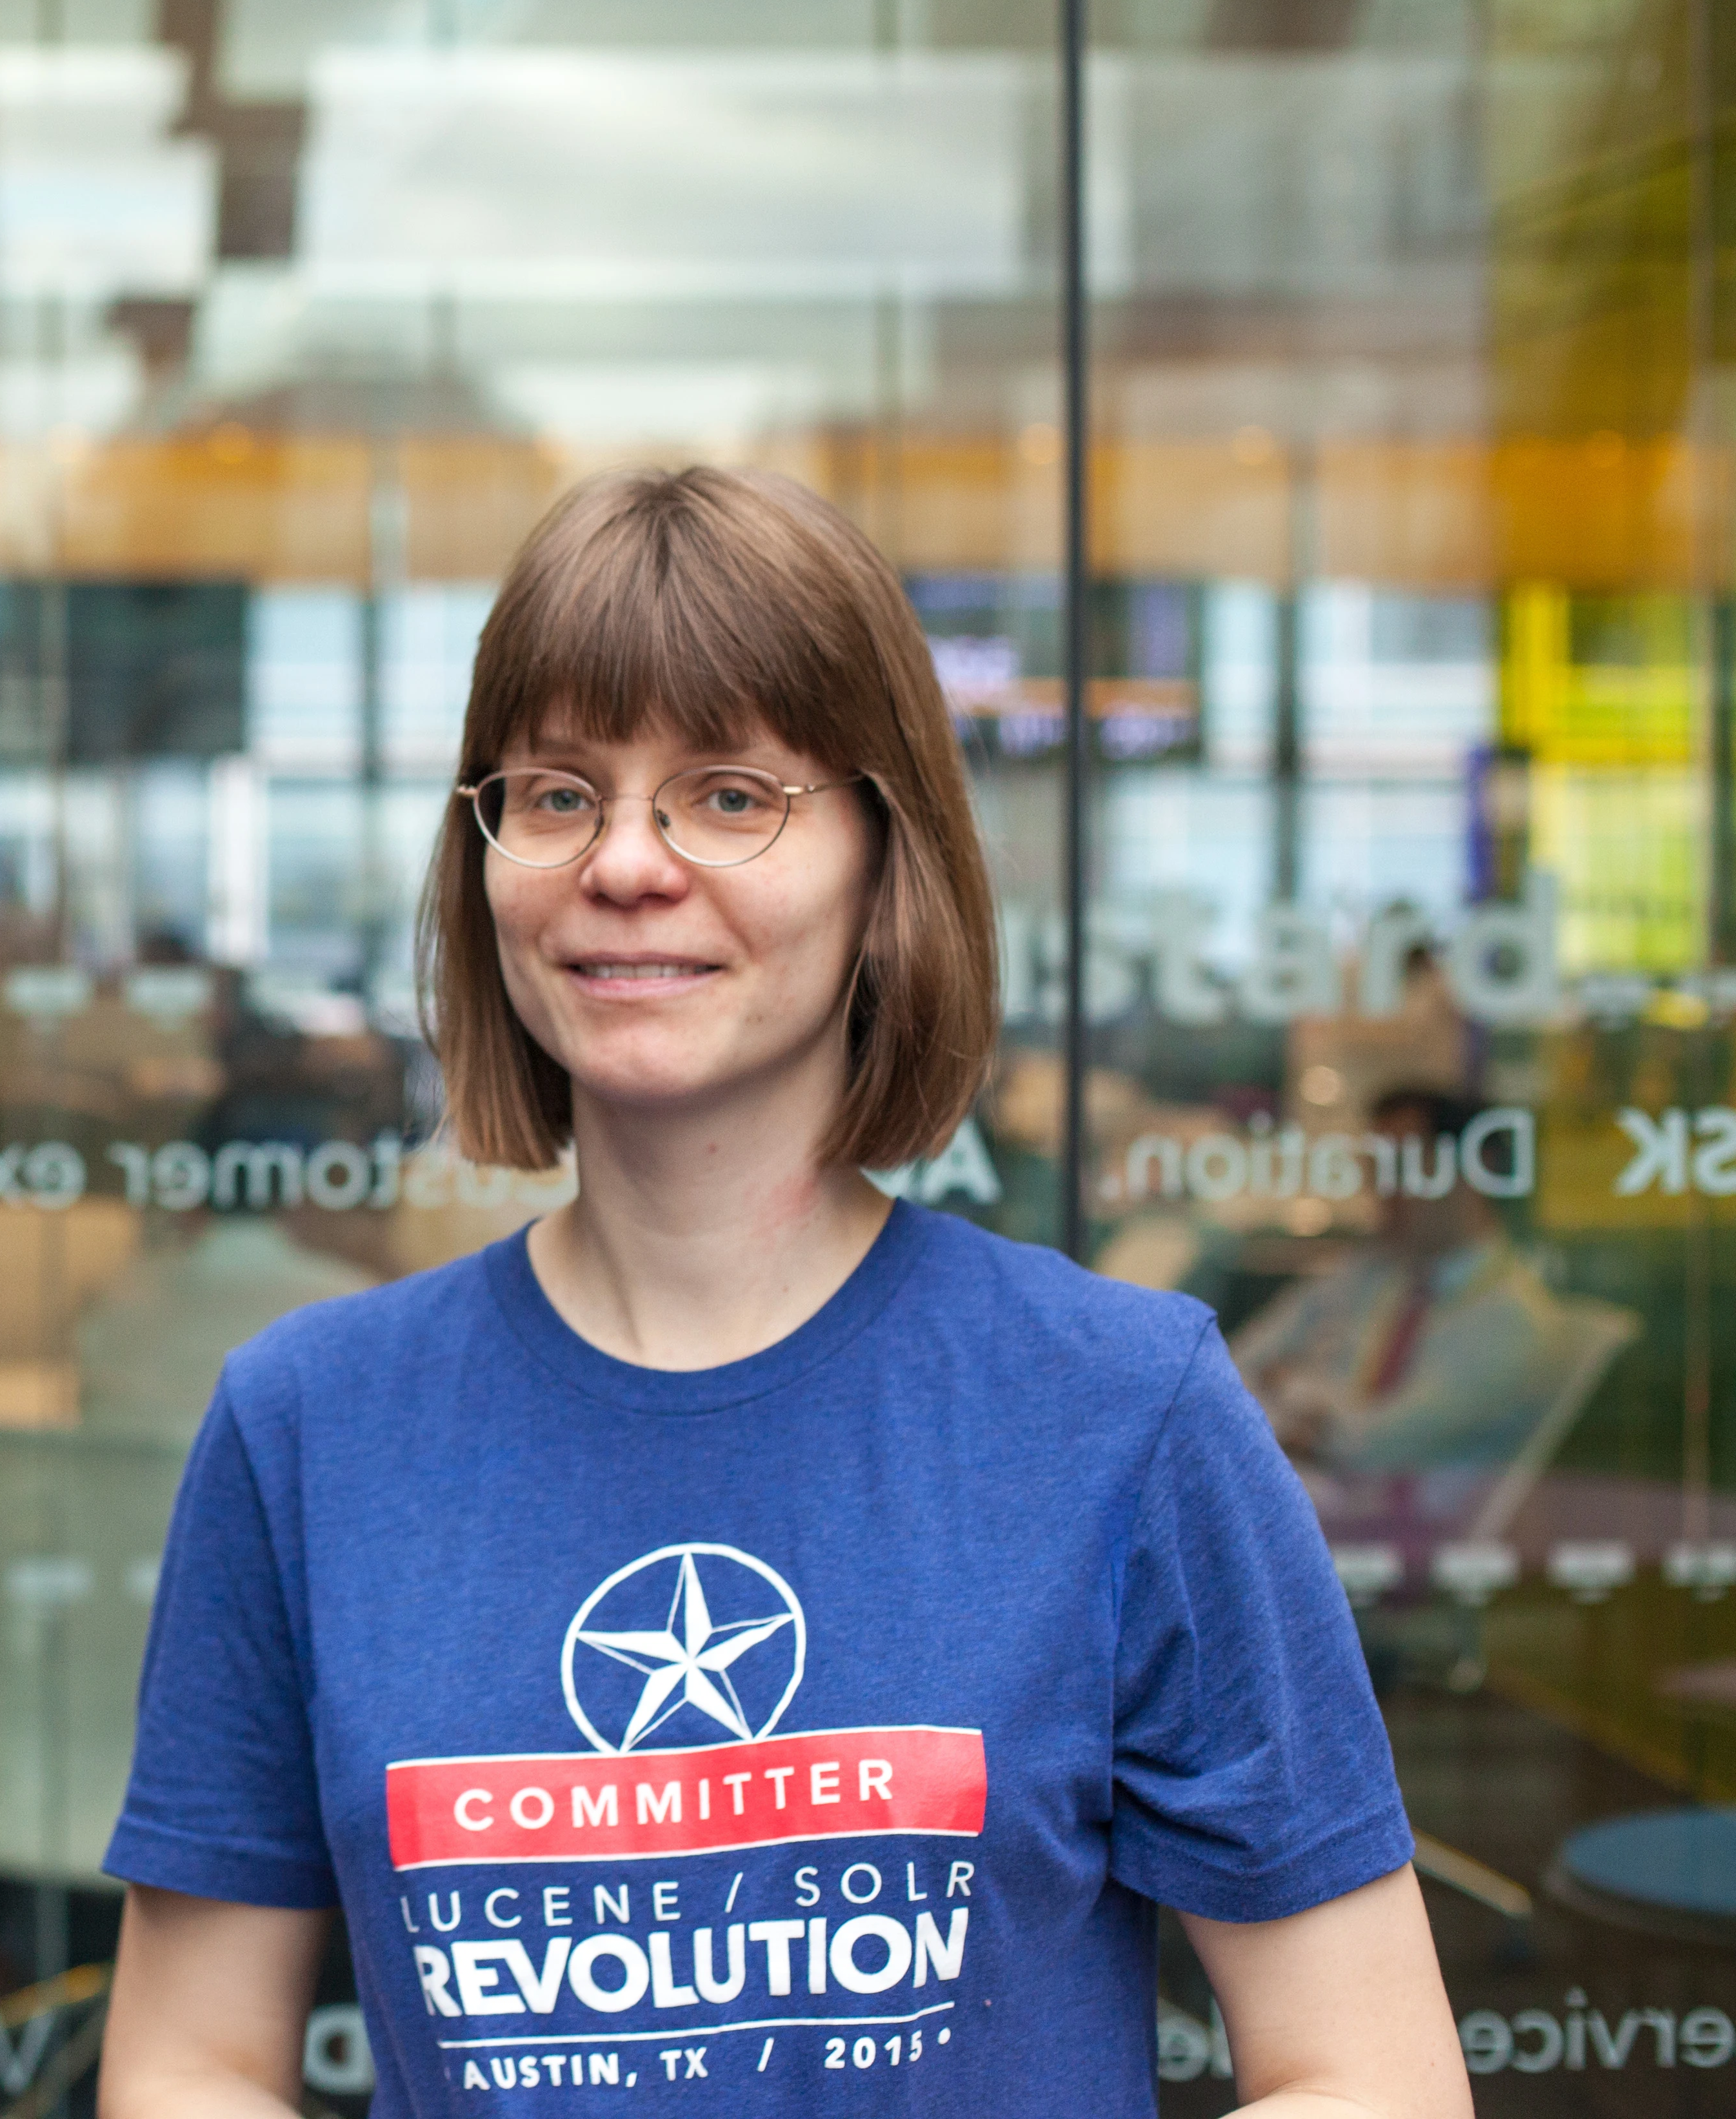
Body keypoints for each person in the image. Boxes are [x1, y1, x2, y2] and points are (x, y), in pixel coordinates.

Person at [97, 468, 1464, 2118]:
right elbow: (190, 2060)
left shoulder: (1116, 1402)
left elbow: (1366, 2067)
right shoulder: (307, 1425)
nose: (625, 861)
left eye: (728, 793)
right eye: (554, 792)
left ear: (886, 860)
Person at [1235, 1085, 1597, 1498]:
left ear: (1477, 1167)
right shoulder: (1368, 1274)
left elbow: (1371, 1444)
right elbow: (1233, 1371)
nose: (1382, 1191)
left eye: (1403, 1166)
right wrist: (1311, 1412)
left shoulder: (1511, 1318)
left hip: (1408, 1541)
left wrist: (1292, 1384)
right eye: (1376, 1170)